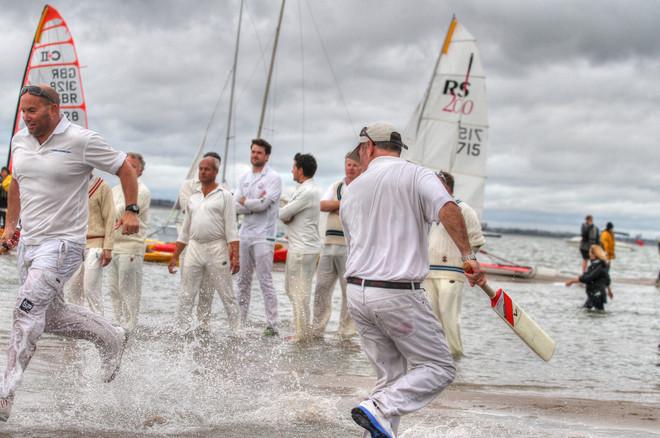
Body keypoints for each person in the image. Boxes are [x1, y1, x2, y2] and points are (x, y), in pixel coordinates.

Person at [0, 84, 139, 422]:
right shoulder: (20, 140)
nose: (26, 117)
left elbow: (125, 168)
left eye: (32, 110)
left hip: (64, 244)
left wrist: (131, 209)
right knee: (49, 316)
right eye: (23, 111)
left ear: (53, 108)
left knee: (26, 309)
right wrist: (10, 228)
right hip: (31, 243)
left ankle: (5, 394)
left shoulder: (81, 140)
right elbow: (17, 182)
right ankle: (111, 336)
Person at [340, 122, 485, 437]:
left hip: (357, 294)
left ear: (368, 148)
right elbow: (447, 207)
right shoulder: (417, 174)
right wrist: (468, 256)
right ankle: (376, 408)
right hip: (397, 295)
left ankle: (374, 424)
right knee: (439, 367)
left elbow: (353, 244)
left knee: (390, 379)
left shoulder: (351, 190)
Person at [168, 156, 241, 333]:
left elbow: (232, 229)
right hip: (194, 248)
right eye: (200, 169)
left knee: (226, 294)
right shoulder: (193, 198)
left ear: (215, 172)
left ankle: (237, 332)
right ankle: (181, 331)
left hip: (216, 248)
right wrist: (174, 256)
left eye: (207, 169)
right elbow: (185, 231)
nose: (202, 172)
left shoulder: (225, 196)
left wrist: (235, 256)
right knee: (186, 293)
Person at [424, 171, 485, 358]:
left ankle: (455, 357)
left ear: (446, 187)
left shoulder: (464, 209)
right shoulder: (429, 209)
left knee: (449, 318)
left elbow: (476, 240)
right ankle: (435, 357)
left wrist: (467, 262)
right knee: (430, 319)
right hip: (428, 272)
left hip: (451, 272)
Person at [234, 139, 282, 336]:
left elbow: (264, 205)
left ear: (267, 156)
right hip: (245, 233)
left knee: (265, 281)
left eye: (259, 153)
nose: (255, 155)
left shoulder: (274, 177)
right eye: (253, 152)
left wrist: (248, 203)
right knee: (242, 281)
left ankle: (272, 324)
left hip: (264, 235)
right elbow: (235, 205)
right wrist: (251, 203)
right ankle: (239, 323)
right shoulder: (244, 177)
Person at [311, 153, 361, 340]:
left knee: (349, 292)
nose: (351, 168)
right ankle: (318, 329)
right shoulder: (336, 186)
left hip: (350, 248)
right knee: (321, 288)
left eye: (355, 165)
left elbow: (359, 207)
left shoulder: (362, 188)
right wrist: (343, 203)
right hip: (328, 245)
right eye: (348, 164)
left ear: (361, 167)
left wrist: (336, 206)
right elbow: (322, 205)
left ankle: (346, 332)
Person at [177, 151, 223, 331]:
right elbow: (187, 208)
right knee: (187, 288)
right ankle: (183, 326)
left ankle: (203, 325)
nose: (206, 171)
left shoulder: (223, 189)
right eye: (203, 167)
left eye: (211, 167)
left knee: (207, 289)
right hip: (190, 244)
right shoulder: (188, 185)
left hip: (213, 247)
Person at [279, 153, 322, 342]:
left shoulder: (308, 191)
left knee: (300, 292)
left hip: (304, 250)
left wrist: (287, 213)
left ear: (301, 170)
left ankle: (302, 335)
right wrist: (288, 214)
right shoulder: (304, 190)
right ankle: (302, 331)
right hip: (299, 248)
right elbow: (287, 214)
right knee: (291, 289)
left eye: (294, 167)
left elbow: (283, 214)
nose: (291, 170)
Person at [107, 152, 150, 332]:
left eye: (133, 167)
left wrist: (108, 212)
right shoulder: (115, 190)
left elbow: (118, 213)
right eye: (126, 166)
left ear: (140, 171)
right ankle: (117, 327)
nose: (129, 169)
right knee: (114, 291)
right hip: (114, 246)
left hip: (131, 247)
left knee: (129, 292)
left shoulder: (142, 190)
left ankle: (130, 330)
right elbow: (110, 214)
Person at [64, 174, 116, 315]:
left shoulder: (102, 186)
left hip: (96, 244)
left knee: (90, 290)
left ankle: (102, 328)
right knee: (73, 290)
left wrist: (108, 247)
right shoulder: (72, 185)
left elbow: (111, 217)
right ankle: (76, 329)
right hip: (76, 244)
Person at [565, 244, 611, 310]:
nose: (589, 254)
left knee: (597, 312)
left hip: (597, 294)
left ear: (594, 254)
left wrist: (572, 281)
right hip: (594, 293)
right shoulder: (595, 265)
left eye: (589, 252)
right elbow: (607, 280)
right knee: (587, 311)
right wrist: (609, 291)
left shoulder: (600, 266)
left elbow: (589, 277)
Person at [599, 222, 615, 299]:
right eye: (612, 228)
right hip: (605, 256)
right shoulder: (605, 234)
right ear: (610, 228)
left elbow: (611, 245)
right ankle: (604, 285)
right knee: (605, 271)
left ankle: (605, 285)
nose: (612, 229)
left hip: (609, 256)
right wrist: (605, 255)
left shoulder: (610, 234)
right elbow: (605, 245)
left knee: (607, 271)